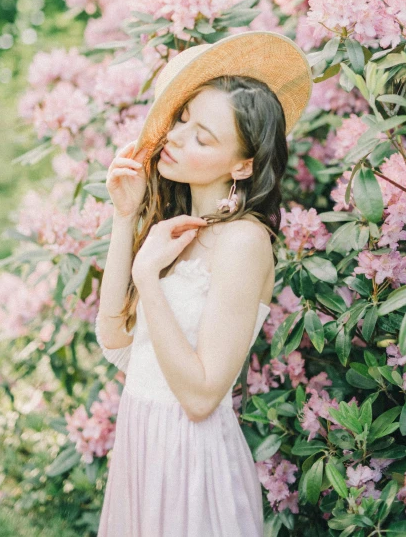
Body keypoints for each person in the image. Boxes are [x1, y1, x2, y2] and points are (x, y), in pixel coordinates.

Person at [95, 30, 312, 536]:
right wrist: (125, 219)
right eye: (183, 120)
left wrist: (147, 276)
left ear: (243, 165)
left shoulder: (243, 242)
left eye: (203, 136)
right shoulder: (177, 233)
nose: (176, 137)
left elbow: (200, 397)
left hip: (189, 459)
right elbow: (114, 339)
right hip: (142, 440)